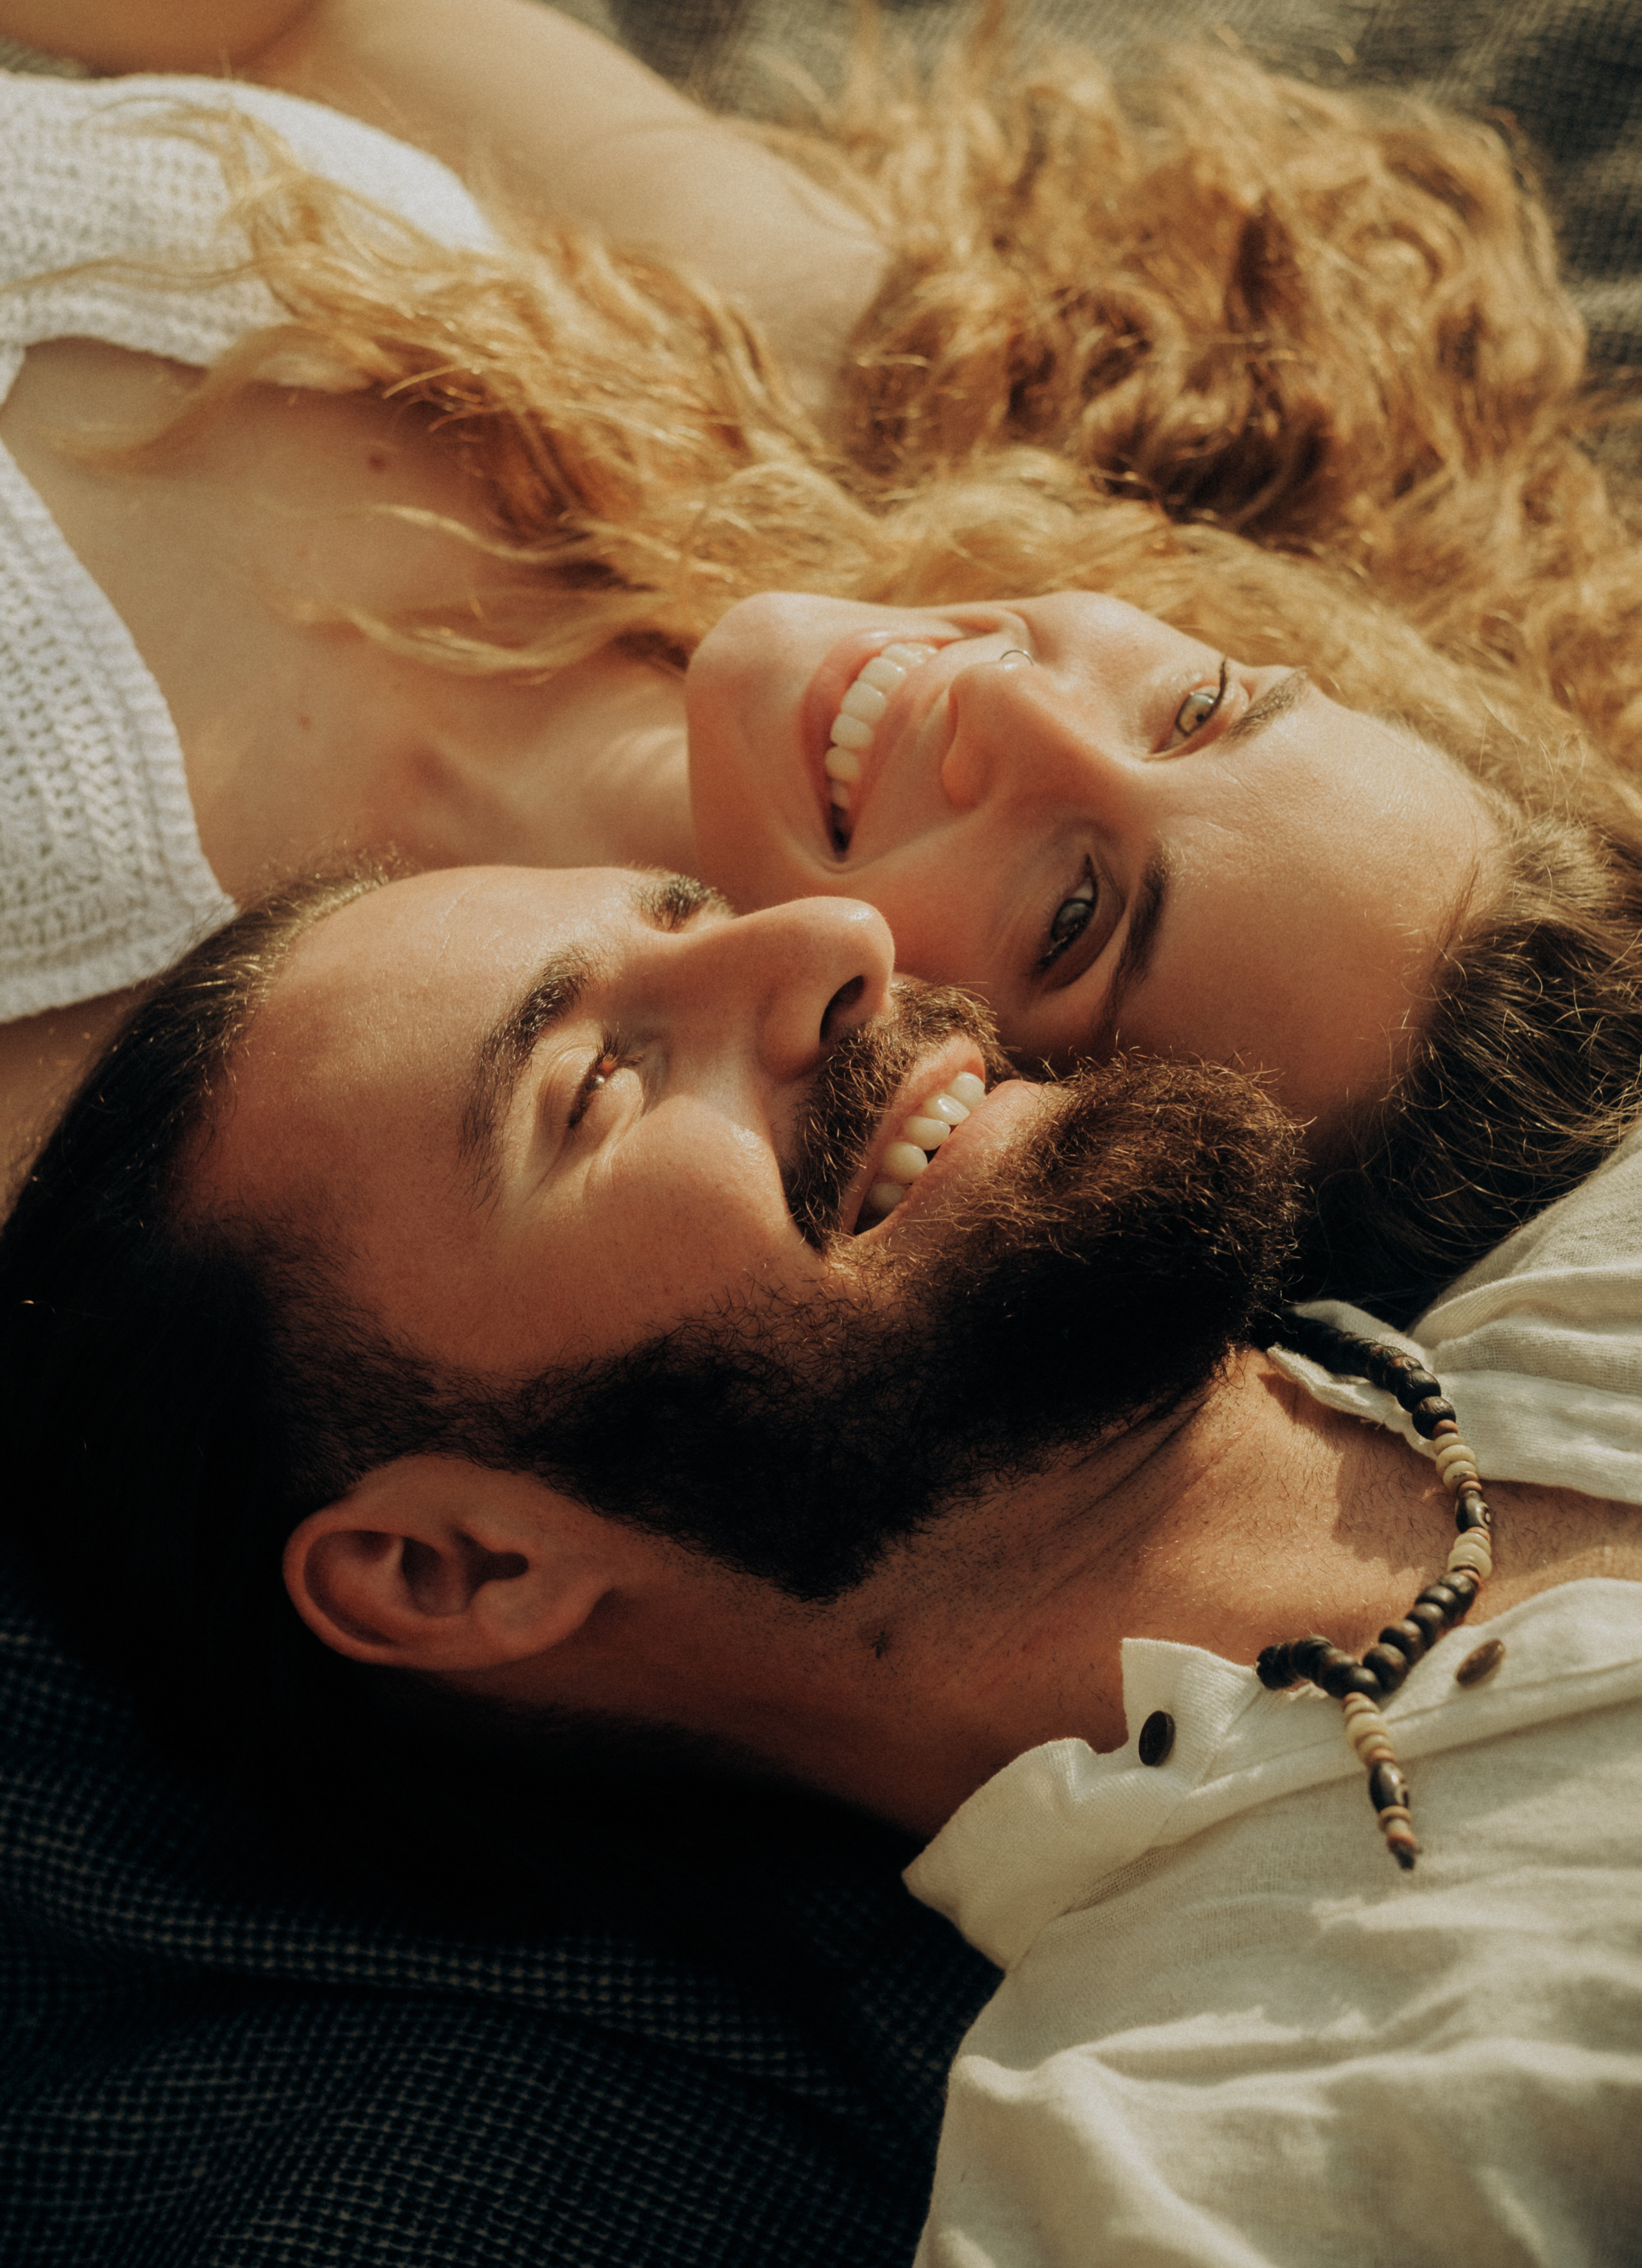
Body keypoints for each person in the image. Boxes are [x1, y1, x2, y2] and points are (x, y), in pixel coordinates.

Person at [1, 0, 1640, 1326]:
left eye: (1073, 912)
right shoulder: (812, 381)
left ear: (971, 1111)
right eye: (1196, 706)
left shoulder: (202, 1092)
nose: (1014, 703)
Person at [1, 857, 1639, 2264]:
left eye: (696, 906)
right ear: (460, 1573)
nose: (840, 933)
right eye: (592, 1084)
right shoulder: (1191, 2184)